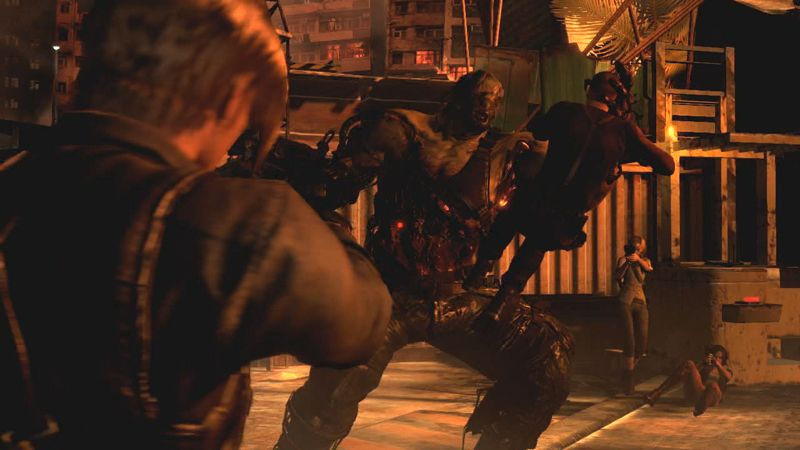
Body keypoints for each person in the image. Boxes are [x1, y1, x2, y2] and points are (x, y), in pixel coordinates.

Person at [0, 1, 392, 448]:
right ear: (230, 96)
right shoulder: (237, 220)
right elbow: (359, 325)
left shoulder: (13, 181)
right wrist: (320, 214)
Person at [274, 71, 573, 450]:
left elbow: (543, 208)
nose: (487, 108)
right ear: (457, 98)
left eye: (495, 101)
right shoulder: (400, 130)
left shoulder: (507, 152)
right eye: (481, 97)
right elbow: (329, 189)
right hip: (389, 297)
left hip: (456, 298)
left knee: (548, 358)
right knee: (333, 392)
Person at [464, 70, 676, 324]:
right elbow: (667, 165)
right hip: (565, 214)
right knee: (537, 245)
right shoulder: (623, 131)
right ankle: (502, 302)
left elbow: (538, 132)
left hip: (536, 196)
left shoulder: (565, 110)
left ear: (590, 91)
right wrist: (630, 139)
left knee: (506, 223)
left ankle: (476, 275)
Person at [644, 345, 733, 416]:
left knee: (713, 385)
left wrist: (718, 364)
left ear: (723, 359)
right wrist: (703, 363)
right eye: (714, 357)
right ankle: (657, 393)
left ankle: (700, 407)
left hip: (713, 397)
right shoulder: (706, 366)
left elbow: (728, 377)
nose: (717, 359)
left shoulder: (724, 369)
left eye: (719, 358)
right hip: (699, 392)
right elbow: (690, 374)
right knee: (689, 363)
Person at [615, 236, 653, 394]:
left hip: (641, 302)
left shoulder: (645, 261)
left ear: (641, 249)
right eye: (633, 248)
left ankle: (626, 373)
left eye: (638, 248)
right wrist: (627, 263)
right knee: (629, 341)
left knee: (642, 342)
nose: (635, 251)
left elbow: (649, 270)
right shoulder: (623, 259)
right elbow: (617, 276)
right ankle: (629, 379)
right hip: (626, 301)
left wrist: (638, 260)